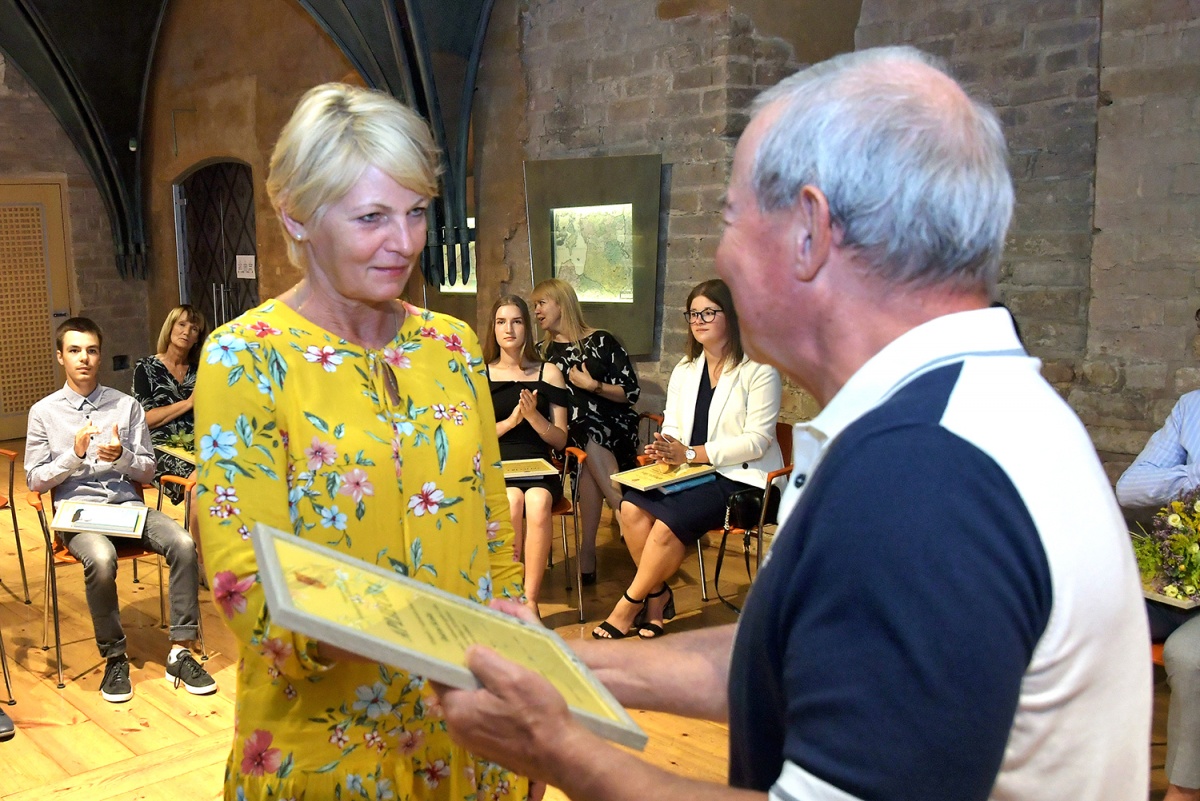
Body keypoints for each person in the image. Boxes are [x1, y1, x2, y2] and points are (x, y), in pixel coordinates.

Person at [433, 46, 1151, 801]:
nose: (721, 253)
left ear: (809, 230)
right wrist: (564, 665)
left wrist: (552, 747)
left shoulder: (924, 473)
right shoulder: (964, 414)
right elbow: (793, 655)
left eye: (731, 218)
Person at [193, 83, 528, 801]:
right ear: (297, 215)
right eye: (372, 216)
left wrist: (521, 674)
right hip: (325, 746)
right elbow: (248, 587)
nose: (404, 242)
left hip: (468, 732)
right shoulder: (246, 357)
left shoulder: (451, 346)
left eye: (416, 211)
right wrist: (420, 626)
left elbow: (492, 529)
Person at [25, 317, 215, 704]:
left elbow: (147, 470)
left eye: (91, 351)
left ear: (100, 356)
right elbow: (35, 480)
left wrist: (123, 457)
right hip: (79, 513)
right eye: (74, 351)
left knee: (182, 543)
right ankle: (115, 658)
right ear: (60, 356)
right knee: (101, 558)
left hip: (127, 508)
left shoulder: (125, 406)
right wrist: (74, 455)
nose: (84, 358)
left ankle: (180, 650)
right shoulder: (44, 413)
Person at [592, 279, 781, 640]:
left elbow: (757, 441)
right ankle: (658, 597)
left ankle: (629, 604)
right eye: (693, 314)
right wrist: (665, 447)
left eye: (708, 312)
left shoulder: (760, 369)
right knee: (629, 508)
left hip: (741, 478)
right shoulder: (686, 368)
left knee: (667, 524)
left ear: (733, 316)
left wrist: (691, 453)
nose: (698, 321)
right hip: (690, 470)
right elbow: (674, 425)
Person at [1117, 392, 1200, 801]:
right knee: (1090, 617)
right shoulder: (1192, 407)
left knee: (1189, 655)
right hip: (1182, 581)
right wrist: (1193, 477)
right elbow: (1129, 488)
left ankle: (1185, 790)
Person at [531, 278, 640, 584]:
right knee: (583, 435)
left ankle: (590, 548)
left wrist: (593, 386)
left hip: (614, 428)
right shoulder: (541, 352)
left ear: (562, 303)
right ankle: (624, 515)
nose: (536, 310)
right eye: (534, 305)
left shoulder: (602, 341)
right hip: (569, 436)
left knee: (588, 438)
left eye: (541, 303)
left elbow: (631, 393)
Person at [484, 294, 569, 614]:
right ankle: (510, 594)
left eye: (516, 321)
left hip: (538, 465)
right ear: (493, 328)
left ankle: (530, 600)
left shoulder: (549, 372)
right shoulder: (480, 373)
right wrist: (510, 422)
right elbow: (475, 437)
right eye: (501, 322)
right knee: (510, 501)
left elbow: (560, 440)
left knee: (537, 501)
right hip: (497, 464)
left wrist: (533, 417)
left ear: (527, 328)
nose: (509, 329)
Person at [132, 304, 208, 505]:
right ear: (170, 327)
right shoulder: (146, 368)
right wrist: (188, 403)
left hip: (198, 443)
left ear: (198, 338)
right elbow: (145, 419)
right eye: (181, 324)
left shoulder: (202, 371)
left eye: (194, 328)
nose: (186, 332)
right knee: (201, 479)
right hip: (160, 446)